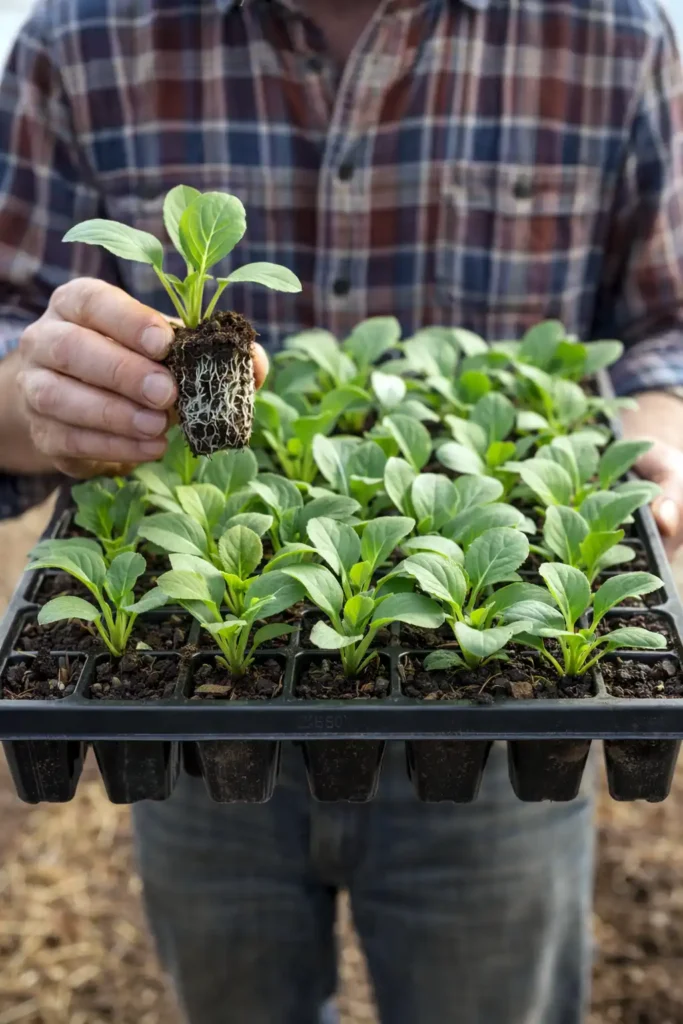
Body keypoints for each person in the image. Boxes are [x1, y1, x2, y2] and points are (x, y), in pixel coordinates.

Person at [0, 0, 681, 1021]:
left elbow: (662, 329)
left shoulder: (614, 32)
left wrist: (654, 440)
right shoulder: (79, 38)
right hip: (199, 738)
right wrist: (34, 395)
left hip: (497, 740)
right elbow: (9, 329)